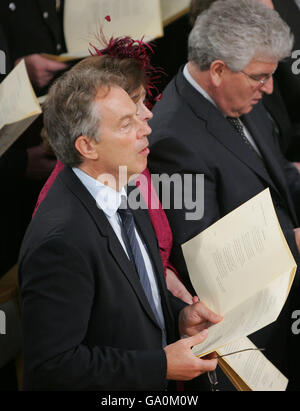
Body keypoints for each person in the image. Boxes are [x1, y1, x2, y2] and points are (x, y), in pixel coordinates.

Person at [18, 55, 222, 390]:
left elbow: (136, 296)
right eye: (126, 125)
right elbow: (53, 367)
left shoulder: (123, 185)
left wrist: (178, 316)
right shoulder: (60, 242)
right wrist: (160, 366)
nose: (147, 128)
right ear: (87, 146)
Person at [148, 0, 300, 388]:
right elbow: (210, 264)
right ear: (217, 70)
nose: (268, 88)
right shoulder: (173, 141)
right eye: (260, 77)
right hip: (254, 336)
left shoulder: (237, 93)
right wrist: (294, 243)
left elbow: (279, 176)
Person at [32, 35, 193, 305]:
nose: (148, 116)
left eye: (143, 101)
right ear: (87, 142)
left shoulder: (129, 164)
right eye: (129, 111)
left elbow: (150, 251)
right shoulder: (60, 228)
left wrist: (166, 276)